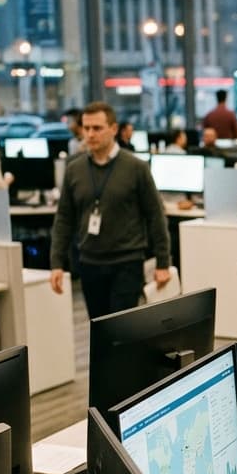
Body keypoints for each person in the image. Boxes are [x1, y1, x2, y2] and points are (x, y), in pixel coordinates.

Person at [49, 101, 171, 319]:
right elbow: (64, 219)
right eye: (86, 128)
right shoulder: (74, 169)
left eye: (97, 128)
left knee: (121, 330)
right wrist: (57, 263)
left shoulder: (136, 167)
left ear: (113, 129)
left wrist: (163, 262)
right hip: (89, 263)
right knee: (98, 329)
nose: (90, 134)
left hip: (127, 263)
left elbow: (155, 216)